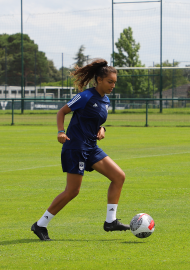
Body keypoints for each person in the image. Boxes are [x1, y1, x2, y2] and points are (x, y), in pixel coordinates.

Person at [31, 59, 129, 241]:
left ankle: (111, 221)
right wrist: (61, 131)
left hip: (91, 147)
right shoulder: (85, 96)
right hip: (76, 147)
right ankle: (40, 224)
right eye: (110, 82)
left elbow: (96, 121)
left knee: (119, 176)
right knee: (72, 191)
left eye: (115, 82)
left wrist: (102, 129)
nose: (113, 85)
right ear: (99, 80)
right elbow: (61, 112)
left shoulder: (105, 100)